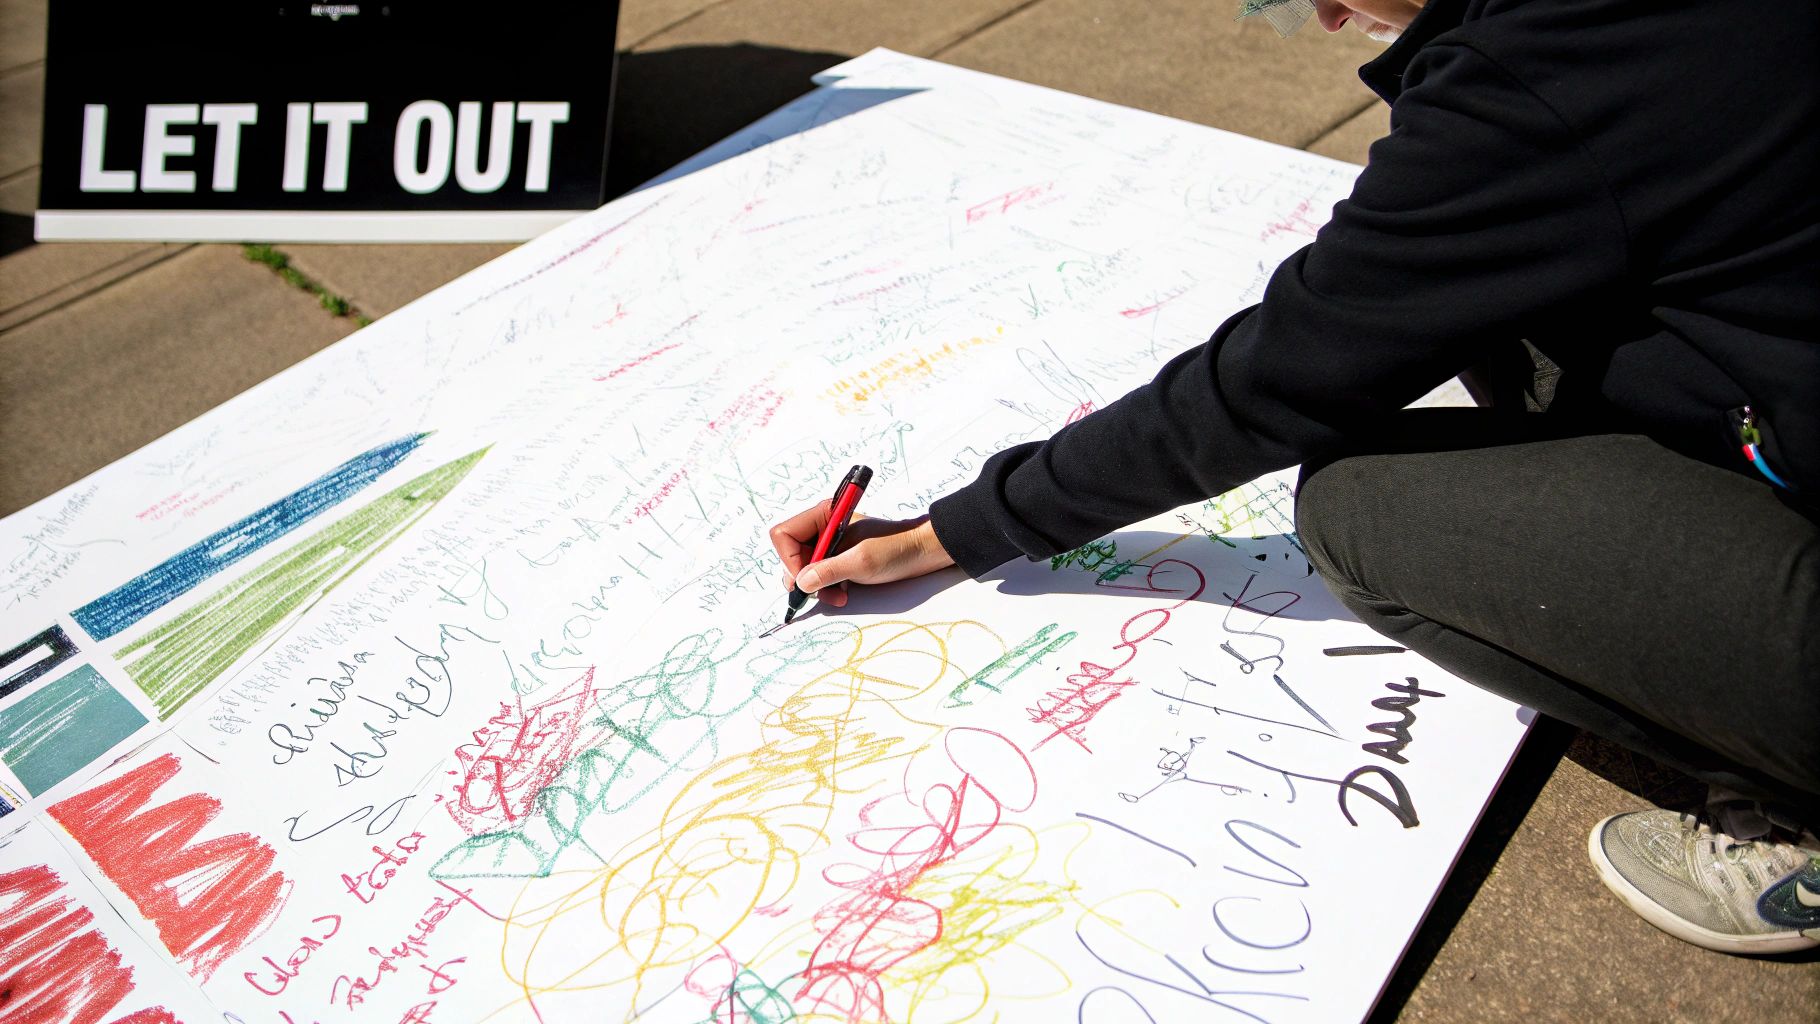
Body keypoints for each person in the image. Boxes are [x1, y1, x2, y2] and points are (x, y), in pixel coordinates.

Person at [769, 0, 1819, 955]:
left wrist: (962, 528)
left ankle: (1790, 802)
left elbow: (1271, 384)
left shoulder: (1536, 84)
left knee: (1359, 504)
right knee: (1505, 325)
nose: (1320, 16)